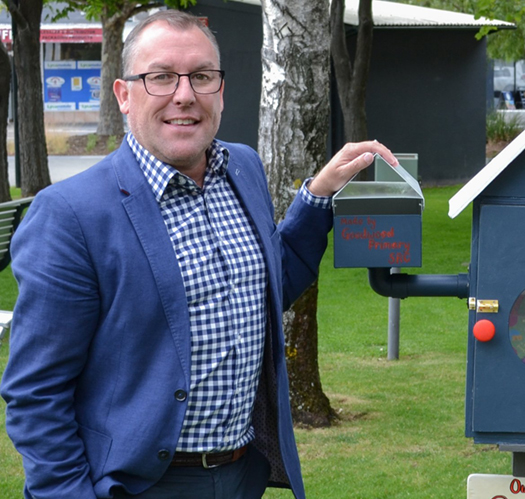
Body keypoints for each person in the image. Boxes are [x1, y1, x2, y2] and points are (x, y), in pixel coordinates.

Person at [0, 9, 397, 499]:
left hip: (243, 474)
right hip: (139, 485)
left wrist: (318, 195)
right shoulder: (69, 215)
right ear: (124, 95)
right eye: (161, 77)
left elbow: (266, 289)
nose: (184, 95)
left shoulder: (243, 169)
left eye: (201, 77)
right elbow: (36, 395)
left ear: (221, 91)